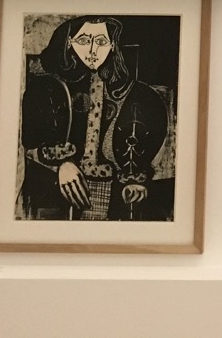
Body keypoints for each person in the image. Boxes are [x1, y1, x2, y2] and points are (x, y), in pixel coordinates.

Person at [19, 15, 171, 221]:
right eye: (84, 41)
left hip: (113, 195)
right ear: (69, 43)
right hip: (57, 193)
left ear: (112, 45)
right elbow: (29, 146)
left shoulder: (135, 93)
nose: (92, 50)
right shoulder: (47, 87)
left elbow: (144, 141)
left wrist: (135, 180)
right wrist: (60, 165)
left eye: (101, 41)